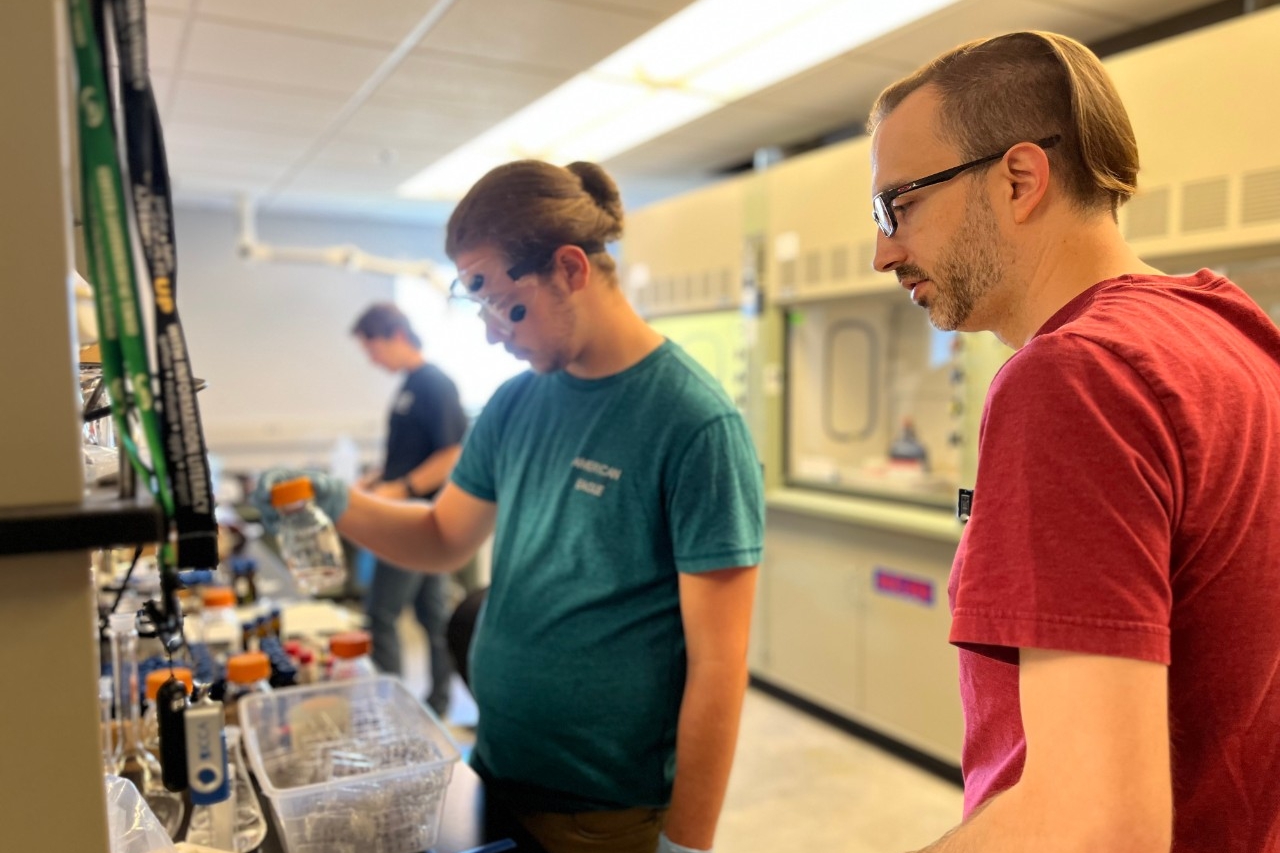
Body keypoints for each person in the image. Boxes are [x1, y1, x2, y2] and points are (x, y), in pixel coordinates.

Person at [256, 160, 764, 853]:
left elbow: (719, 662)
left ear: (570, 268)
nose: (495, 332)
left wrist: (689, 842)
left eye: (501, 301)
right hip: (498, 769)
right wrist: (338, 500)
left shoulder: (692, 423)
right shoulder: (515, 402)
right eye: (479, 304)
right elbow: (442, 536)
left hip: (605, 808)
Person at [866, 31, 1280, 852]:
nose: (884, 251)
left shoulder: (1073, 377)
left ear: (1020, 179)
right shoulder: (1238, 337)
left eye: (898, 204)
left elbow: (1093, 824)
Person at [351, 303, 468, 718]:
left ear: (396, 335)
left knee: (381, 614)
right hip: (407, 510)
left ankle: (391, 714)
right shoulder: (408, 387)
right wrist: (372, 481)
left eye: (374, 349)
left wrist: (399, 490)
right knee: (432, 617)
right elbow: (408, 454)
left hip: (416, 521)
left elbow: (451, 452)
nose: (373, 359)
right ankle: (435, 707)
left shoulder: (434, 384)